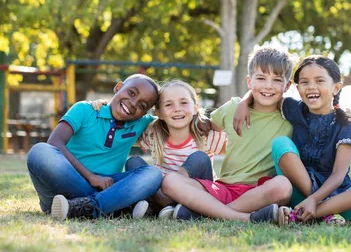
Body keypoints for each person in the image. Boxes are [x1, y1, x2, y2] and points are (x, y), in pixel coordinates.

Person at [237, 55, 351, 224]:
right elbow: (268, 93)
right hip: (298, 191)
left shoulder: (348, 123)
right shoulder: (293, 108)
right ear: (297, 87)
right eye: (304, 82)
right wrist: (243, 102)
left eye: (319, 81)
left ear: (336, 88)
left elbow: (339, 174)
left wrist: (314, 201)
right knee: (280, 143)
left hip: (335, 194)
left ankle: (311, 212)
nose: (311, 87)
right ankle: (328, 213)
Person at [161, 46, 294, 223]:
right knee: (170, 181)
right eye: (261, 78)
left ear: (287, 86)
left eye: (276, 80)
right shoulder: (232, 108)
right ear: (249, 82)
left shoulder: (291, 117)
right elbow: (208, 125)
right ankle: (245, 218)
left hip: (259, 192)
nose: (268, 86)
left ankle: (206, 213)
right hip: (223, 189)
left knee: (283, 186)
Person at [27, 74, 163, 220]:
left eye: (142, 106)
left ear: (144, 113)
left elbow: (171, 114)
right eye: (131, 93)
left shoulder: (140, 123)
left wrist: (190, 109)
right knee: (39, 152)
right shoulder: (85, 110)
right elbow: (55, 142)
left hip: (107, 186)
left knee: (153, 174)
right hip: (62, 189)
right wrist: (91, 177)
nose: (133, 103)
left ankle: (90, 207)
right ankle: (115, 207)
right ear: (118, 87)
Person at [124, 79, 227, 219]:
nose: (177, 108)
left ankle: (167, 206)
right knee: (134, 163)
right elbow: (121, 137)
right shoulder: (154, 135)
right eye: (168, 104)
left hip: (194, 194)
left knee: (199, 158)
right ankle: (164, 207)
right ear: (159, 113)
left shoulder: (206, 136)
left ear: (195, 108)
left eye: (184, 103)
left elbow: (240, 149)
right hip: (159, 192)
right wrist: (106, 107)